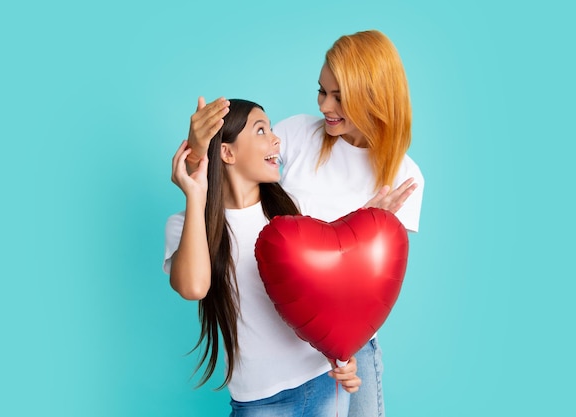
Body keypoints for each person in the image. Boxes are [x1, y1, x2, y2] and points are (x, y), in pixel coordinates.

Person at [183, 30, 424, 417]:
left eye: (339, 96)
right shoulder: (296, 134)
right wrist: (198, 146)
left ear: (373, 95)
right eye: (321, 91)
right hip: (289, 332)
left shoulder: (403, 177)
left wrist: (369, 223)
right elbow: (229, 178)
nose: (324, 105)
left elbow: (372, 277)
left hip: (350, 340)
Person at [164, 99, 362, 416]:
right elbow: (194, 288)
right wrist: (195, 193)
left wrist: (340, 354)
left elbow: (321, 294)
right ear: (227, 153)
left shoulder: (290, 212)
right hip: (260, 402)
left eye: (270, 129)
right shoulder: (187, 225)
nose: (275, 139)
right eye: (261, 130)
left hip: (324, 382)